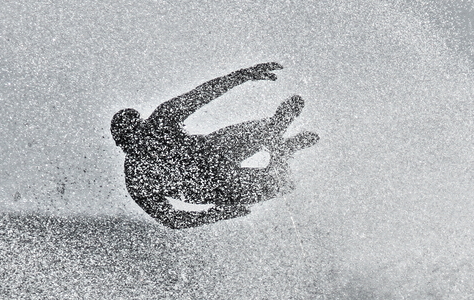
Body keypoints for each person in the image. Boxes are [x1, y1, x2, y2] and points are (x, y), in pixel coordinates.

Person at [110, 62, 320, 229]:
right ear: (124, 145)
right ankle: (282, 152)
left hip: (214, 151)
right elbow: (172, 220)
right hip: (217, 188)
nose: (142, 139)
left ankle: (276, 138)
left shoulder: (159, 122)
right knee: (283, 185)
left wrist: (244, 74)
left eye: (140, 129)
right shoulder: (138, 178)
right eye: (133, 138)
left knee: (271, 129)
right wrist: (214, 215)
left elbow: (203, 94)